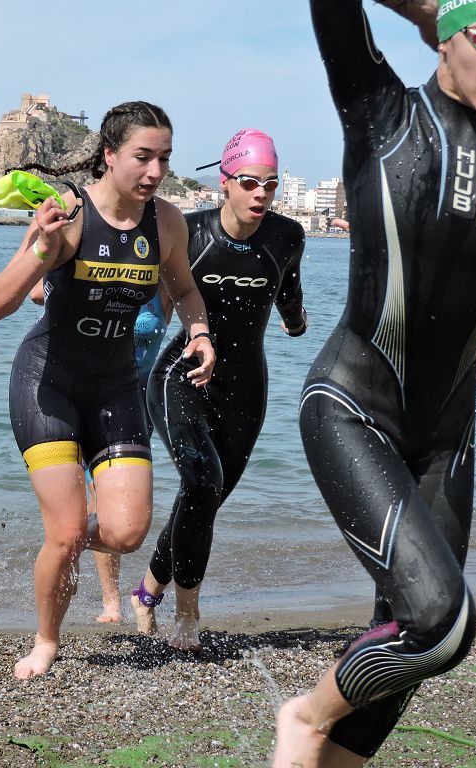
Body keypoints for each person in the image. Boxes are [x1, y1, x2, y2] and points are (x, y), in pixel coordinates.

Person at [273, 1, 476, 765]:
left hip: (446, 437)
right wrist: (425, 6)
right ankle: (304, 718)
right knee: (439, 621)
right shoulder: (380, 111)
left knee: (407, 649)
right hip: (350, 408)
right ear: (449, 38)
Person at [0, 101, 216, 679]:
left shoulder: (165, 223)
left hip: (115, 386)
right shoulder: (69, 214)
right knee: (64, 532)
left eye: (164, 158)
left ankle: (56, 548)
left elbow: (184, 289)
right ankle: (45, 641)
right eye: (143, 157)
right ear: (109, 157)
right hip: (48, 380)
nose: (155, 171)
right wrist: (40, 244)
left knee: (126, 533)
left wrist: (201, 333)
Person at [131, 129, 308, 651]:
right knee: (203, 482)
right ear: (225, 183)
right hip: (180, 376)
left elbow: (288, 289)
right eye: (250, 182)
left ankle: (147, 591)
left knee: (202, 497)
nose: (260, 194)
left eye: (270, 185)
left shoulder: (287, 236)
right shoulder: (189, 232)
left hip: (246, 389)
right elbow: (138, 291)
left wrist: (296, 323)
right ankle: (188, 616)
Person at [29, 281, 172, 624]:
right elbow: (37, 291)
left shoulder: (163, 283)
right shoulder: (98, 264)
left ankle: (70, 548)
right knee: (89, 497)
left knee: (113, 507)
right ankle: (110, 599)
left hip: (131, 401)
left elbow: (195, 298)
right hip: (73, 390)